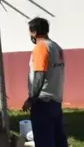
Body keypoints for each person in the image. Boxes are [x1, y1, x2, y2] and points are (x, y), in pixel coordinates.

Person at [22, 17, 67, 147]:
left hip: (43, 102)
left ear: (34, 32)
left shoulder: (41, 47)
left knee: (44, 141)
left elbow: (39, 75)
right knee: (58, 140)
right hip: (56, 100)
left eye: (30, 32)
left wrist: (31, 99)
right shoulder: (56, 47)